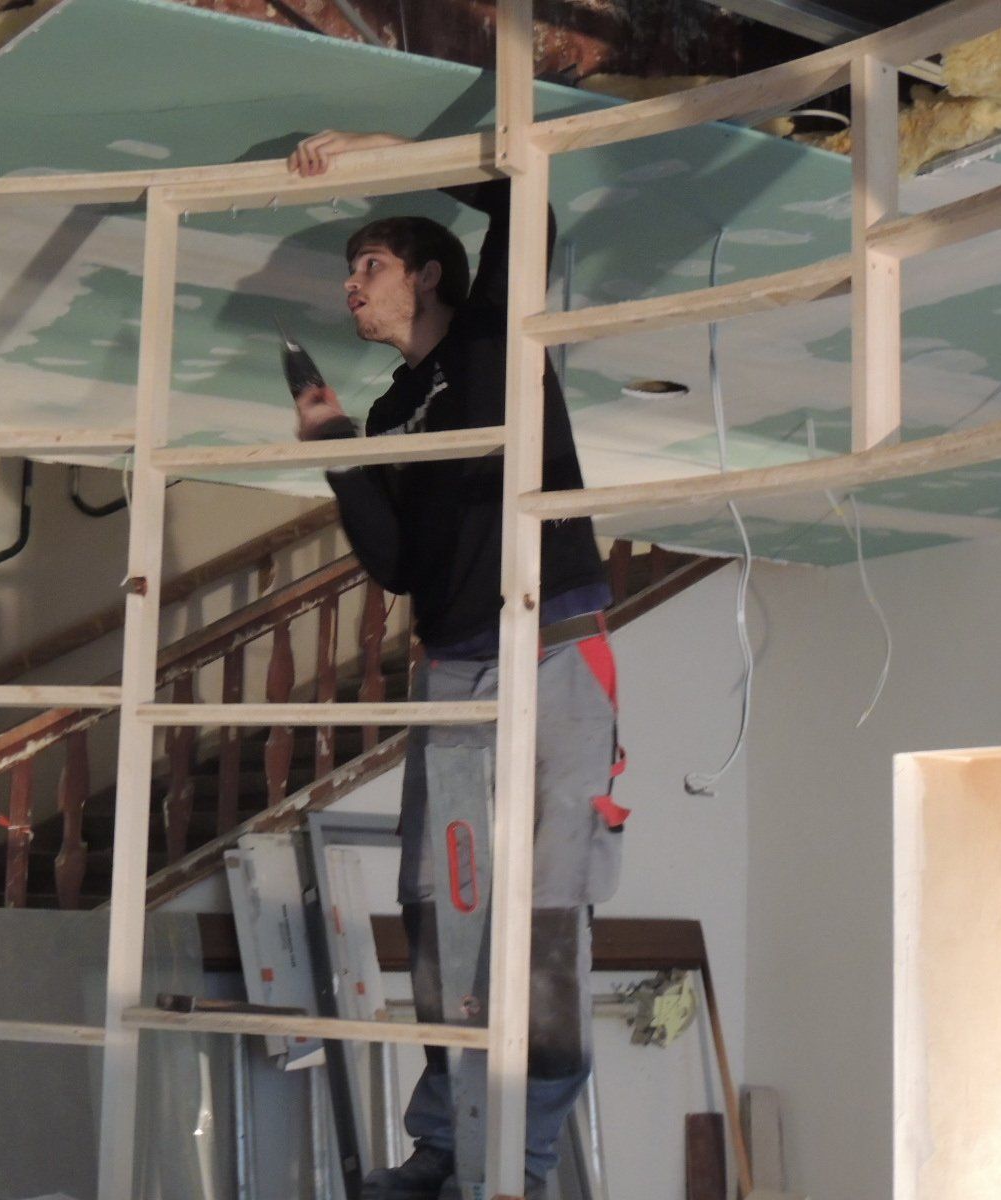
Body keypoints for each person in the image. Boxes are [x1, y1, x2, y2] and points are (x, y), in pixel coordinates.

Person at [285, 131, 627, 1200]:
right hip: (452, 665)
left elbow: (527, 204)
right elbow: (395, 562)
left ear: (428, 273)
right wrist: (337, 448)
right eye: (350, 272)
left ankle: (521, 1159)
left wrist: (383, 151)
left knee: (549, 904)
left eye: (370, 264)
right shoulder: (396, 410)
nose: (351, 286)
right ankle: (446, 1143)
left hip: (553, 642)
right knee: (438, 899)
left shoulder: (492, 336)